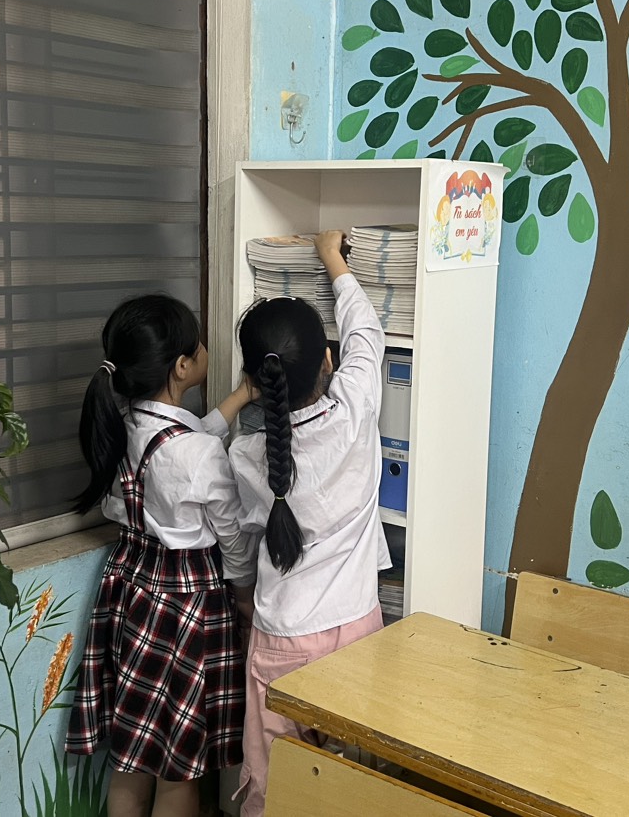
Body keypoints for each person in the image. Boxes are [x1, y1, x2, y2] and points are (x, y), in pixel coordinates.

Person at [65, 294, 257, 817]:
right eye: (199, 343)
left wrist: (239, 397)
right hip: (186, 607)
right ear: (182, 367)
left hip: (131, 592)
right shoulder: (197, 453)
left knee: (134, 755)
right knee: (179, 769)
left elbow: (182, 441)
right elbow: (233, 541)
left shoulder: (120, 421)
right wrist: (244, 599)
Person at [228, 231, 391, 817]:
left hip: (282, 637)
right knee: (350, 787)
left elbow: (242, 541)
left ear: (254, 380)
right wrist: (332, 259)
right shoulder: (354, 414)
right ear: (328, 361)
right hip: (357, 630)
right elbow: (367, 334)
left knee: (276, 787)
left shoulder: (246, 456)